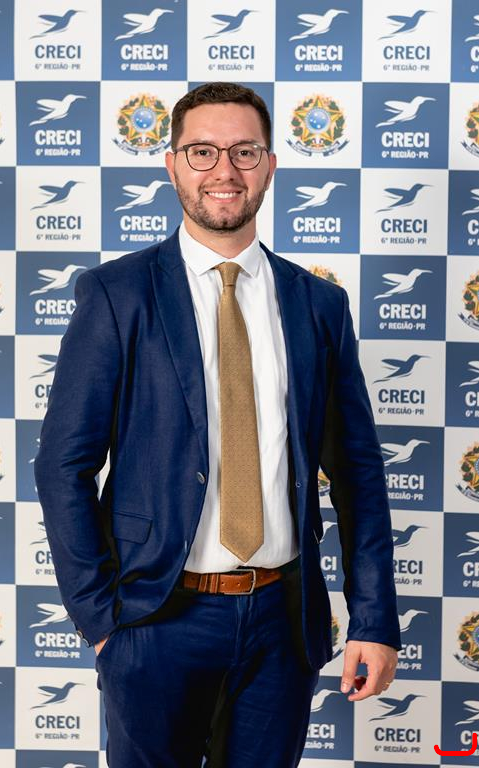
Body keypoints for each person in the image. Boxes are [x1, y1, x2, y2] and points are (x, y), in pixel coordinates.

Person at [34, 82, 401, 768]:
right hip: (154, 619)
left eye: (244, 151)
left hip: (281, 622)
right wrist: (101, 621)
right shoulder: (117, 294)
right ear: (172, 164)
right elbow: (62, 465)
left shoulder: (318, 305)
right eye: (202, 152)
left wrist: (374, 620)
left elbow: (357, 473)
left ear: (269, 165)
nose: (223, 170)